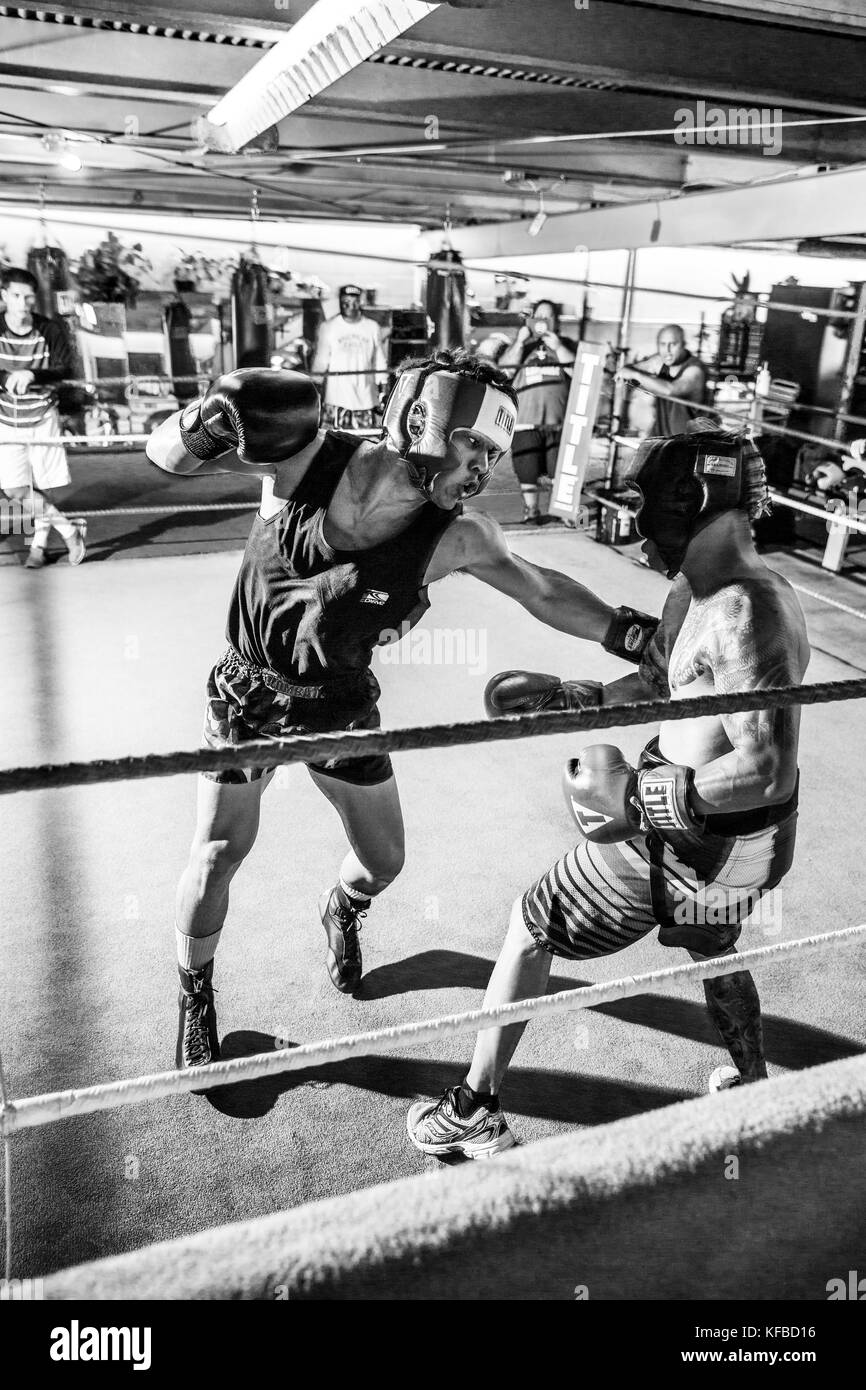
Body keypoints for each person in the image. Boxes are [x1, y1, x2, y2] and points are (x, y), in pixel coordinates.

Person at [146, 350, 661, 1072]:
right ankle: (195, 994)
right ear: (426, 417)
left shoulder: (460, 535)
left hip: (341, 704)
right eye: (474, 442)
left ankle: (343, 908)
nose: (483, 467)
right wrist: (206, 421)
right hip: (249, 693)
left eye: (494, 452)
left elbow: (540, 588)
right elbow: (164, 458)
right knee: (217, 855)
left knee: (384, 861)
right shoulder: (305, 458)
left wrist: (634, 636)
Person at [407, 426, 808, 1159]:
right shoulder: (697, 587)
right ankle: (753, 1083)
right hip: (720, 840)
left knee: (531, 925)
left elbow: (767, 769)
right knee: (714, 944)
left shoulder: (748, 611)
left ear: (691, 498)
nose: (635, 519)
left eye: (647, 500)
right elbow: (662, 683)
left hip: (705, 842)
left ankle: (474, 1107)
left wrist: (633, 803)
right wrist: (576, 697)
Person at [0, 267, 86, 568]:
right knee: (14, 488)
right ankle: (69, 530)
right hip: (6, 419)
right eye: (16, 296)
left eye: (28, 297)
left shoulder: (49, 328)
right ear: (4, 296)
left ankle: (37, 547)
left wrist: (32, 373)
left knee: (42, 485)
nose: (23, 302)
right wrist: (7, 376)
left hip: (41, 415)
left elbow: (65, 368)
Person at [499, 300, 577, 524]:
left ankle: (563, 512)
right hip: (526, 421)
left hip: (558, 422)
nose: (543, 320)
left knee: (559, 471)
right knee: (527, 470)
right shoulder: (522, 346)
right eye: (539, 315)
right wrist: (520, 342)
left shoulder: (567, 344)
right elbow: (504, 371)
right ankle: (531, 510)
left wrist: (559, 347)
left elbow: (580, 371)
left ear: (556, 321)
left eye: (549, 316)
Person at [310, 284, 388, 430]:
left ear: (361, 302)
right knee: (333, 446)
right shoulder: (329, 327)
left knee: (365, 446)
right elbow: (321, 361)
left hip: (366, 401)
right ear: (339, 301)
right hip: (336, 402)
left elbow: (380, 361)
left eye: (354, 301)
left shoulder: (372, 327)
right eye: (345, 301)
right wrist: (314, 392)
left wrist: (383, 392)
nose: (349, 305)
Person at [615, 324, 708, 438]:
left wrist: (635, 374)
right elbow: (633, 368)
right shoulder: (659, 361)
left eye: (673, 344)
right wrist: (625, 370)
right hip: (662, 441)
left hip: (689, 445)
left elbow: (670, 390)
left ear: (683, 345)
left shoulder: (695, 371)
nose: (667, 351)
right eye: (663, 344)